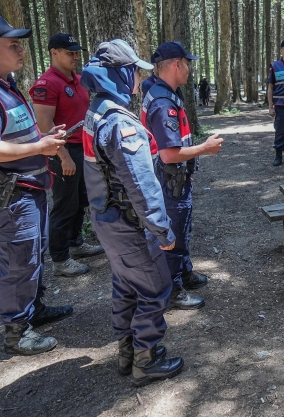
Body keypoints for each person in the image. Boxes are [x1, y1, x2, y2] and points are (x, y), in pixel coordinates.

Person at [81, 39, 183, 386]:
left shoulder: (95, 111)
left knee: (125, 284)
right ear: (122, 74)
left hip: (107, 219)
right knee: (155, 288)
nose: (139, 78)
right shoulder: (120, 123)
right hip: (129, 223)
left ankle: (127, 351)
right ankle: (146, 360)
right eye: (135, 72)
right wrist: (162, 229)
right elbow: (141, 185)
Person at [0, 16, 72, 355]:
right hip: (10, 195)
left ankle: (33, 309)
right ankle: (17, 331)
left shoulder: (4, 84)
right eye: (14, 45)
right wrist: (39, 148)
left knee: (33, 254)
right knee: (20, 261)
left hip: (28, 190)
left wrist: (43, 137)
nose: (22, 51)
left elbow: (10, 134)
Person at [142, 41, 224, 310]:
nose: (190, 69)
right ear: (176, 64)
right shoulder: (163, 103)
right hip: (169, 180)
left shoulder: (165, 93)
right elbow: (169, 154)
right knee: (173, 233)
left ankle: (184, 272)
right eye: (188, 64)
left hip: (175, 178)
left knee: (182, 229)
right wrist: (205, 148)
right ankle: (174, 289)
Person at [29, 33, 104, 278]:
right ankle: (60, 258)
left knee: (81, 199)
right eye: (69, 53)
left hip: (83, 149)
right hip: (64, 151)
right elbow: (45, 124)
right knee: (64, 204)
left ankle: (75, 242)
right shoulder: (47, 84)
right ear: (54, 53)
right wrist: (63, 156)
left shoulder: (78, 80)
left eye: (76, 53)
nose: (75, 57)